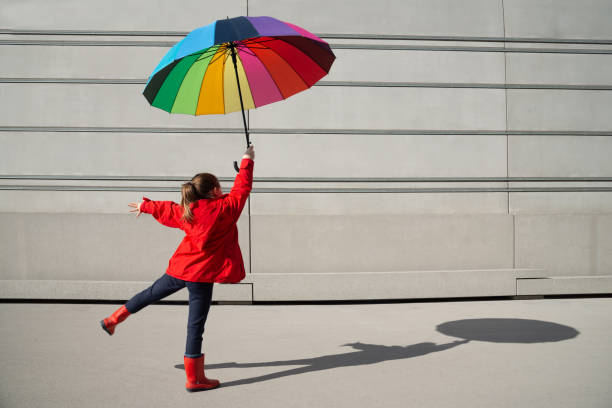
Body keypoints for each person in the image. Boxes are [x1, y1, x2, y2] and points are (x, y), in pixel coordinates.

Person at [100, 145, 255, 392]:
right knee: (195, 325)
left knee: (149, 294)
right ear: (215, 190)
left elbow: (165, 208)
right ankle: (195, 379)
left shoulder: (187, 210)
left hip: (179, 269)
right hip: (201, 277)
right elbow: (242, 189)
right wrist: (248, 160)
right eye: (219, 186)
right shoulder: (225, 210)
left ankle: (114, 319)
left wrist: (144, 206)